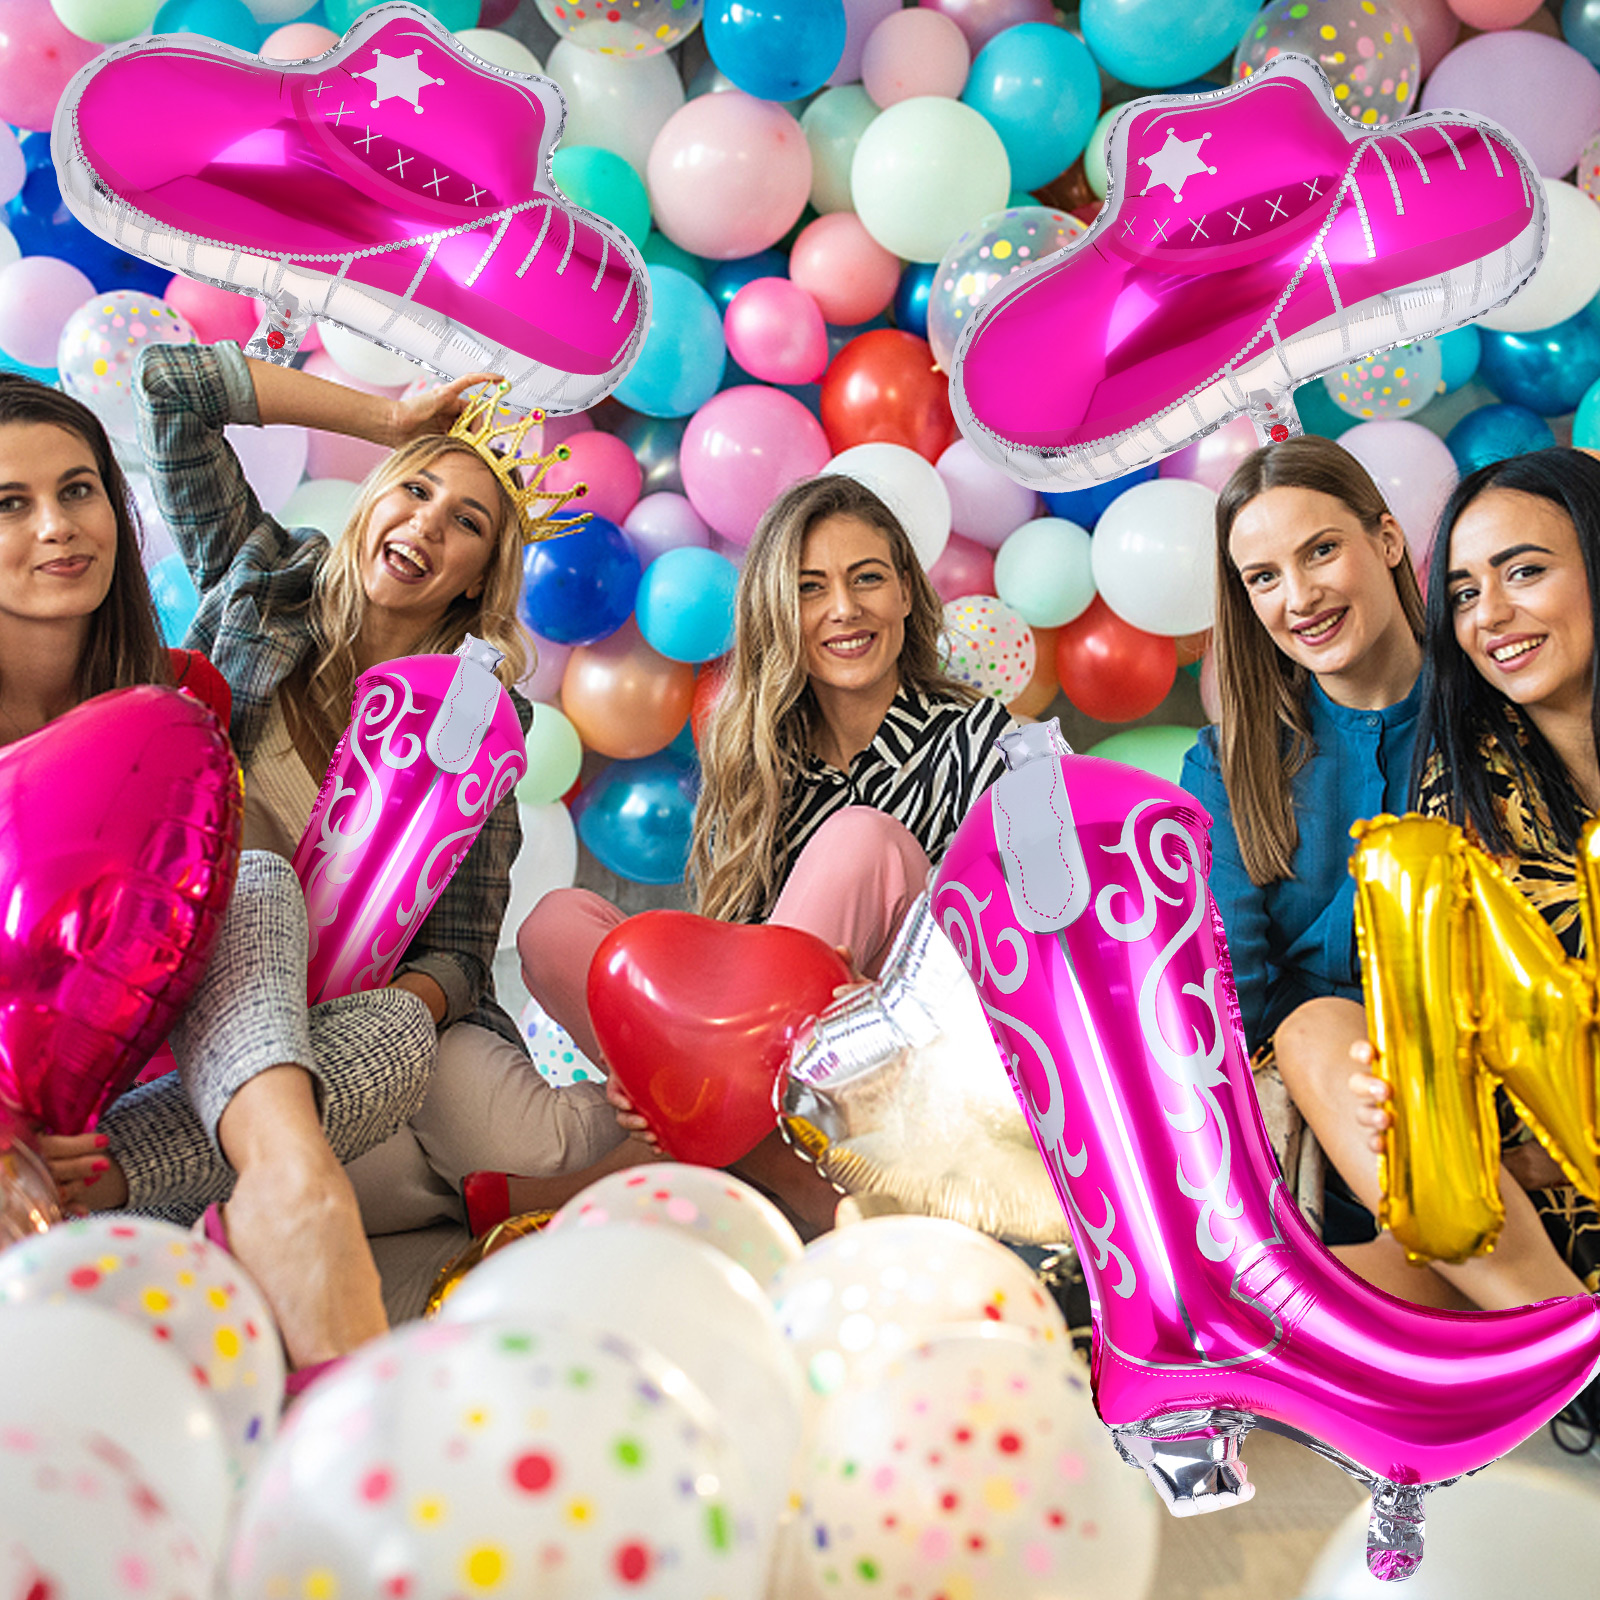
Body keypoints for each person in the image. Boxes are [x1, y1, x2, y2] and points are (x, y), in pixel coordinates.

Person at [47, 343, 621, 1327]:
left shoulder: (483, 723)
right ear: (378, 496)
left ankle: (126, 1178)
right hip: (176, 974)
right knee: (261, 860)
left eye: (468, 522)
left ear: (478, 576)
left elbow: (461, 952)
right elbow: (169, 389)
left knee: (440, 1069)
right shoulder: (261, 580)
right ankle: (308, 1180)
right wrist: (389, 420)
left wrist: (377, 1015)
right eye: (417, 489)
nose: (428, 523)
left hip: (347, 1023)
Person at [0, 371, 437, 1378]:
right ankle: (271, 1197)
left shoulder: (176, 698)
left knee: (384, 1023)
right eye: (10, 504)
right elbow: (171, 380)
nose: (58, 526)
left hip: (165, 1101)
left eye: (77, 489)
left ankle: (286, 1185)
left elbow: (200, 936)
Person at [516, 473, 1016, 1229]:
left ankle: (702, 1154)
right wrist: (656, 1050)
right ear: (778, 608)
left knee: (863, 840)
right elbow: (724, 965)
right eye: (811, 588)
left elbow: (1015, 960)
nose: (843, 609)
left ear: (907, 595)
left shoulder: (984, 740)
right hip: (759, 1066)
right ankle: (779, 1169)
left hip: (899, 1065)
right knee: (554, 927)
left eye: (867, 578)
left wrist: (882, 1006)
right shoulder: (751, 756)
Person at [1274, 448, 1600, 1344]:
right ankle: (1567, 1336)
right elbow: (1450, 1052)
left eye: (1524, 572)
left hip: (1551, 1170)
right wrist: (1413, 1107)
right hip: (1523, 1228)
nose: (1490, 614)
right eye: (1462, 592)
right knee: (1315, 1032)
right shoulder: (1460, 786)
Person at [1180, 435, 1438, 1272]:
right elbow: (1233, 992)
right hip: (1332, 1130)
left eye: (1321, 550)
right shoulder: (1227, 767)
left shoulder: (1491, 710)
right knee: (1315, 1030)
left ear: (1387, 539)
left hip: (1493, 1069)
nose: (1299, 597)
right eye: (1263, 577)